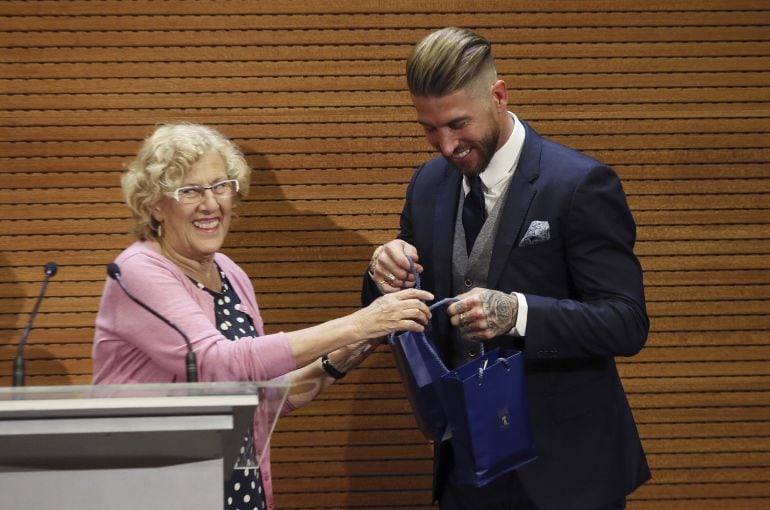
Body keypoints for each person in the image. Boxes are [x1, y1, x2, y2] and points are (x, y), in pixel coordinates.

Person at [361, 27, 650, 510]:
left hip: (568, 474)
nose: (446, 145)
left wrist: (518, 314)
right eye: (429, 129)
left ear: (498, 96)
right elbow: (393, 312)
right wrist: (382, 274)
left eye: (458, 124)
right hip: (465, 467)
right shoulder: (429, 183)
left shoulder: (579, 185)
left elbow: (627, 323)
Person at [92, 122, 433, 510]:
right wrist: (361, 321)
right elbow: (218, 364)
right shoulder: (138, 269)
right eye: (190, 191)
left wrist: (347, 351)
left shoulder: (230, 274)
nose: (210, 203)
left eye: (220, 186)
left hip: (238, 492)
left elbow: (259, 396)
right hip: (160, 492)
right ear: (155, 204)